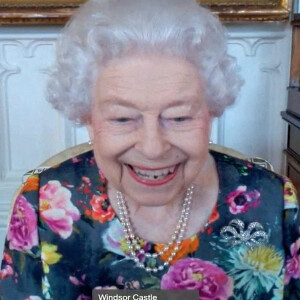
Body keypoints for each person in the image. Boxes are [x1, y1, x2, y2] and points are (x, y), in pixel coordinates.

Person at [0, 0, 299, 299]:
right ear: (88, 119)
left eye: (179, 117)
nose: (153, 148)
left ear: (211, 112)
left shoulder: (273, 204)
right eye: (122, 118)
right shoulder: (41, 205)